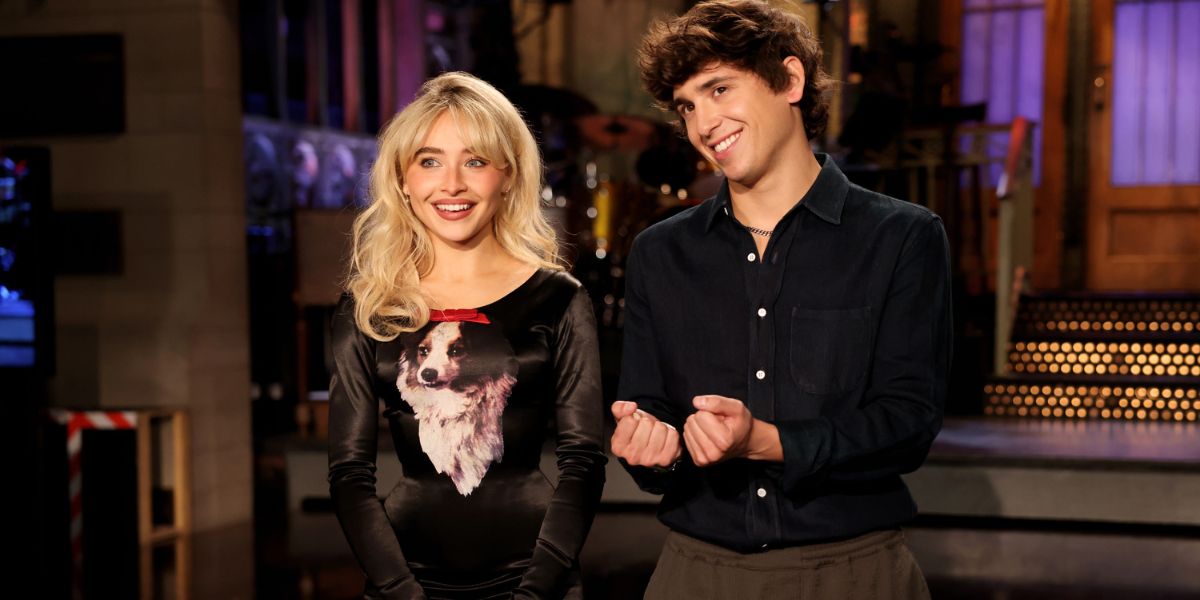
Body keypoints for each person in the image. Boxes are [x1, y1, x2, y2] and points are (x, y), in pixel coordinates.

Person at [610, 2, 951, 598]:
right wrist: (652, 448)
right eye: (687, 106)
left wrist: (765, 442)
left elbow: (907, 423)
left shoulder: (901, 237)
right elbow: (650, 410)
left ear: (790, 80)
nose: (703, 123)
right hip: (695, 575)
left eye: (719, 89)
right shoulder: (660, 252)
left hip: (852, 574)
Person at [328, 71, 606, 600]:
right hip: (405, 581)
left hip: (537, 579)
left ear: (509, 175)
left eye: (475, 161)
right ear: (402, 180)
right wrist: (400, 590)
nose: (451, 183)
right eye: (430, 161)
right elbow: (348, 475)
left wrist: (535, 592)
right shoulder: (368, 306)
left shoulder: (559, 298)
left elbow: (584, 463)